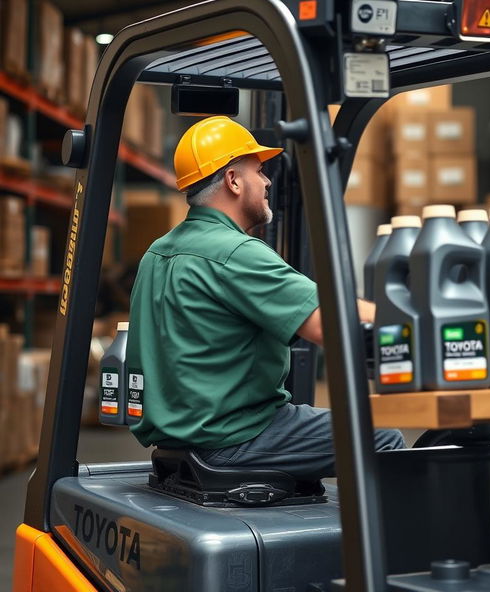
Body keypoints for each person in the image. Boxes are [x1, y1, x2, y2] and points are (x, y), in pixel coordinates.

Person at [126, 116, 405, 480]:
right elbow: (332, 321)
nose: (268, 181)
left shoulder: (157, 252)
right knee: (386, 437)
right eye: (258, 171)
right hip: (237, 436)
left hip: (182, 435)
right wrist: (415, 324)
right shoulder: (235, 252)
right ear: (233, 180)